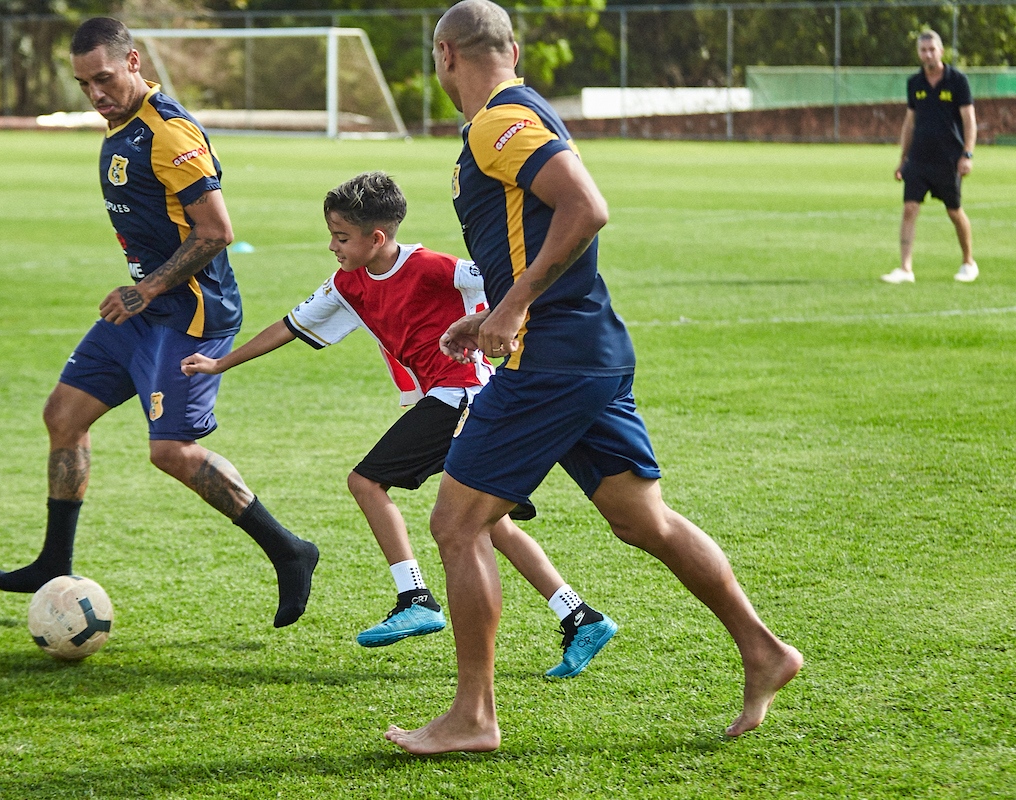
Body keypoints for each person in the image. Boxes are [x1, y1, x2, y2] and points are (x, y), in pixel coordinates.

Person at [384, 0, 803, 755]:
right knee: (644, 521)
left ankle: (474, 718)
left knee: (456, 524)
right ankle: (765, 650)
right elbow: (538, 232)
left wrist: (512, 305)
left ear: (446, 54)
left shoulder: (496, 121)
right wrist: (487, 317)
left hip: (551, 358)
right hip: (589, 348)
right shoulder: (521, 111)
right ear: (512, 47)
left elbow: (586, 207)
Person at [182, 171, 618, 677]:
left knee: (366, 480)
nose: (332, 246)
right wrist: (220, 364)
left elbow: (511, 282)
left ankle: (415, 595)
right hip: (443, 399)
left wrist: (511, 321)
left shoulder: (436, 268)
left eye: (341, 238)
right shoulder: (348, 283)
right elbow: (289, 326)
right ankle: (580, 617)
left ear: (377, 238)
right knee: (487, 522)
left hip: (464, 394)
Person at [0, 17, 319, 629]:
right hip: (143, 310)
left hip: (189, 314)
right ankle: (55, 561)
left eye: (104, 79)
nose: (96, 94)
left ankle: (289, 550)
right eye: (84, 85)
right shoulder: (123, 128)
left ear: (133, 62)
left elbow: (217, 232)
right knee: (63, 415)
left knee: (171, 451)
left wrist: (149, 288)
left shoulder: (170, 133)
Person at [883, 30, 978, 284]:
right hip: (919, 159)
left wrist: (967, 154)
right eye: (923, 50)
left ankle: (968, 262)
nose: (928, 54)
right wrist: (903, 158)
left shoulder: (957, 81)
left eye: (932, 49)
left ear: (941, 51)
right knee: (909, 208)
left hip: (949, 160)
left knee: (954, 211)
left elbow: (969, 120)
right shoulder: (914, 84)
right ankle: (905, 268)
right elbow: (909, 123)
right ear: (918, 53)